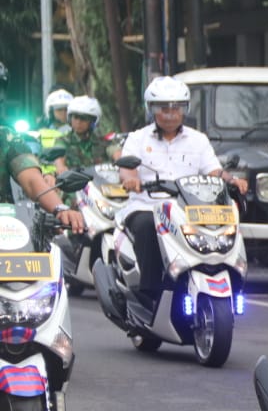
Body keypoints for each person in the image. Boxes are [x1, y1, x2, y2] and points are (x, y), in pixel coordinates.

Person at [118, 76, 248, 307]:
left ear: (184, 109)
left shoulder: (198, 140)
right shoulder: (137, 138)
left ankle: (224, 275)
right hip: (147, 205)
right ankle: (149, 294)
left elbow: (214, 171)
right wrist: (131, 181)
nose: (170, 114)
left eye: (176, 108)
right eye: (163, 108)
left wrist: (232, 180)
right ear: (152, 110)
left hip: (188, 208)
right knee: (148, 226)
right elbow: (127, 172)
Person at [0, 124, 84, 234]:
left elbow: (32, 180)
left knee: (61, 247)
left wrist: (60, 209)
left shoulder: (4, 137)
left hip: (6, 233)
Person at [55, 96, 109, 172]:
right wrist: (61, 167)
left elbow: (116, 152)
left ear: (92, 121)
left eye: (83, 118)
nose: (78, 122)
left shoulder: (102, 141)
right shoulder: (63, 140)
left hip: (101, 181)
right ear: (70, 119)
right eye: (75, 117)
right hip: (73, 182)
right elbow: (59, 157)